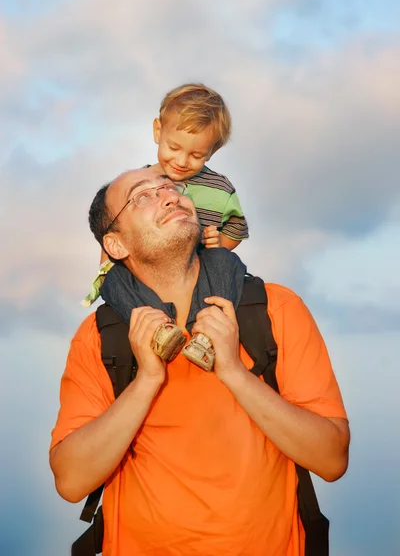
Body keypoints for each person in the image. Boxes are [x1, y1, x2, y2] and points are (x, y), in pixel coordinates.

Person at [50, 168, 350, 556]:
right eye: (143, 196)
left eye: (171, 188)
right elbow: (71, 481)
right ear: (115, 244)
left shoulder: (274, 309)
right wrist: (146, 381)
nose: (171, 196)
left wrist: (234, 372)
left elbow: (331, 459)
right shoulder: (100, 335)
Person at [83, 83, 249, 307]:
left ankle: (209, 326)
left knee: (226, 263)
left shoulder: (220, 189)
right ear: (158, 131)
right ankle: (157, 329)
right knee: (115, 279)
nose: (181, 161)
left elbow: (237, 228)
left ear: (213, 151)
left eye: (196, 155)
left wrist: (220, 242)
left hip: (200, 274)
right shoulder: (141, 183)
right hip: (149, 274)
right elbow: (116, 225)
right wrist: (107, 267)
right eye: (174, 148)